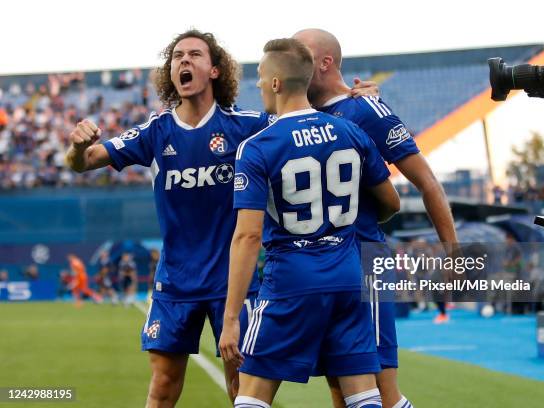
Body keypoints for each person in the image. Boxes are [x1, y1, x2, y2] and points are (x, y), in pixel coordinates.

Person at [64, 28, 381, 407]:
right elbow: (84, 163)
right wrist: (78, 147)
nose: (183, 61)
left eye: (195, 55)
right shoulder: (156, 130)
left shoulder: (248, 125)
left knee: (241, 386)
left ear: (215, 70)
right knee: (162, 385)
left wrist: (353, 100)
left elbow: (300, 114)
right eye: (177, 56)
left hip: (234, 280)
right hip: (176, 281)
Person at [219, 38, 400, 408]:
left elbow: (248, 236)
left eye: (258, 76)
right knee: (364, 396)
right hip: (349, 279)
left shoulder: (257, 146)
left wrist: (231, 317)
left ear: (275, 83)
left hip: (290, 284)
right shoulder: (351, 133)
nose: (256, 84)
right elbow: (391, 203)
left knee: (251, 397)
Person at [292, 28, 459, 407]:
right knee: (342, 390)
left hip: (365, 262)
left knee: (381, 392)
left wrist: (452, 253)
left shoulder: (365, 109)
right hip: (324, 270)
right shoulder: (297, 117)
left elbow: (427, 181)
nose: (291, 61)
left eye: (300, 54)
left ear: (325, 62)